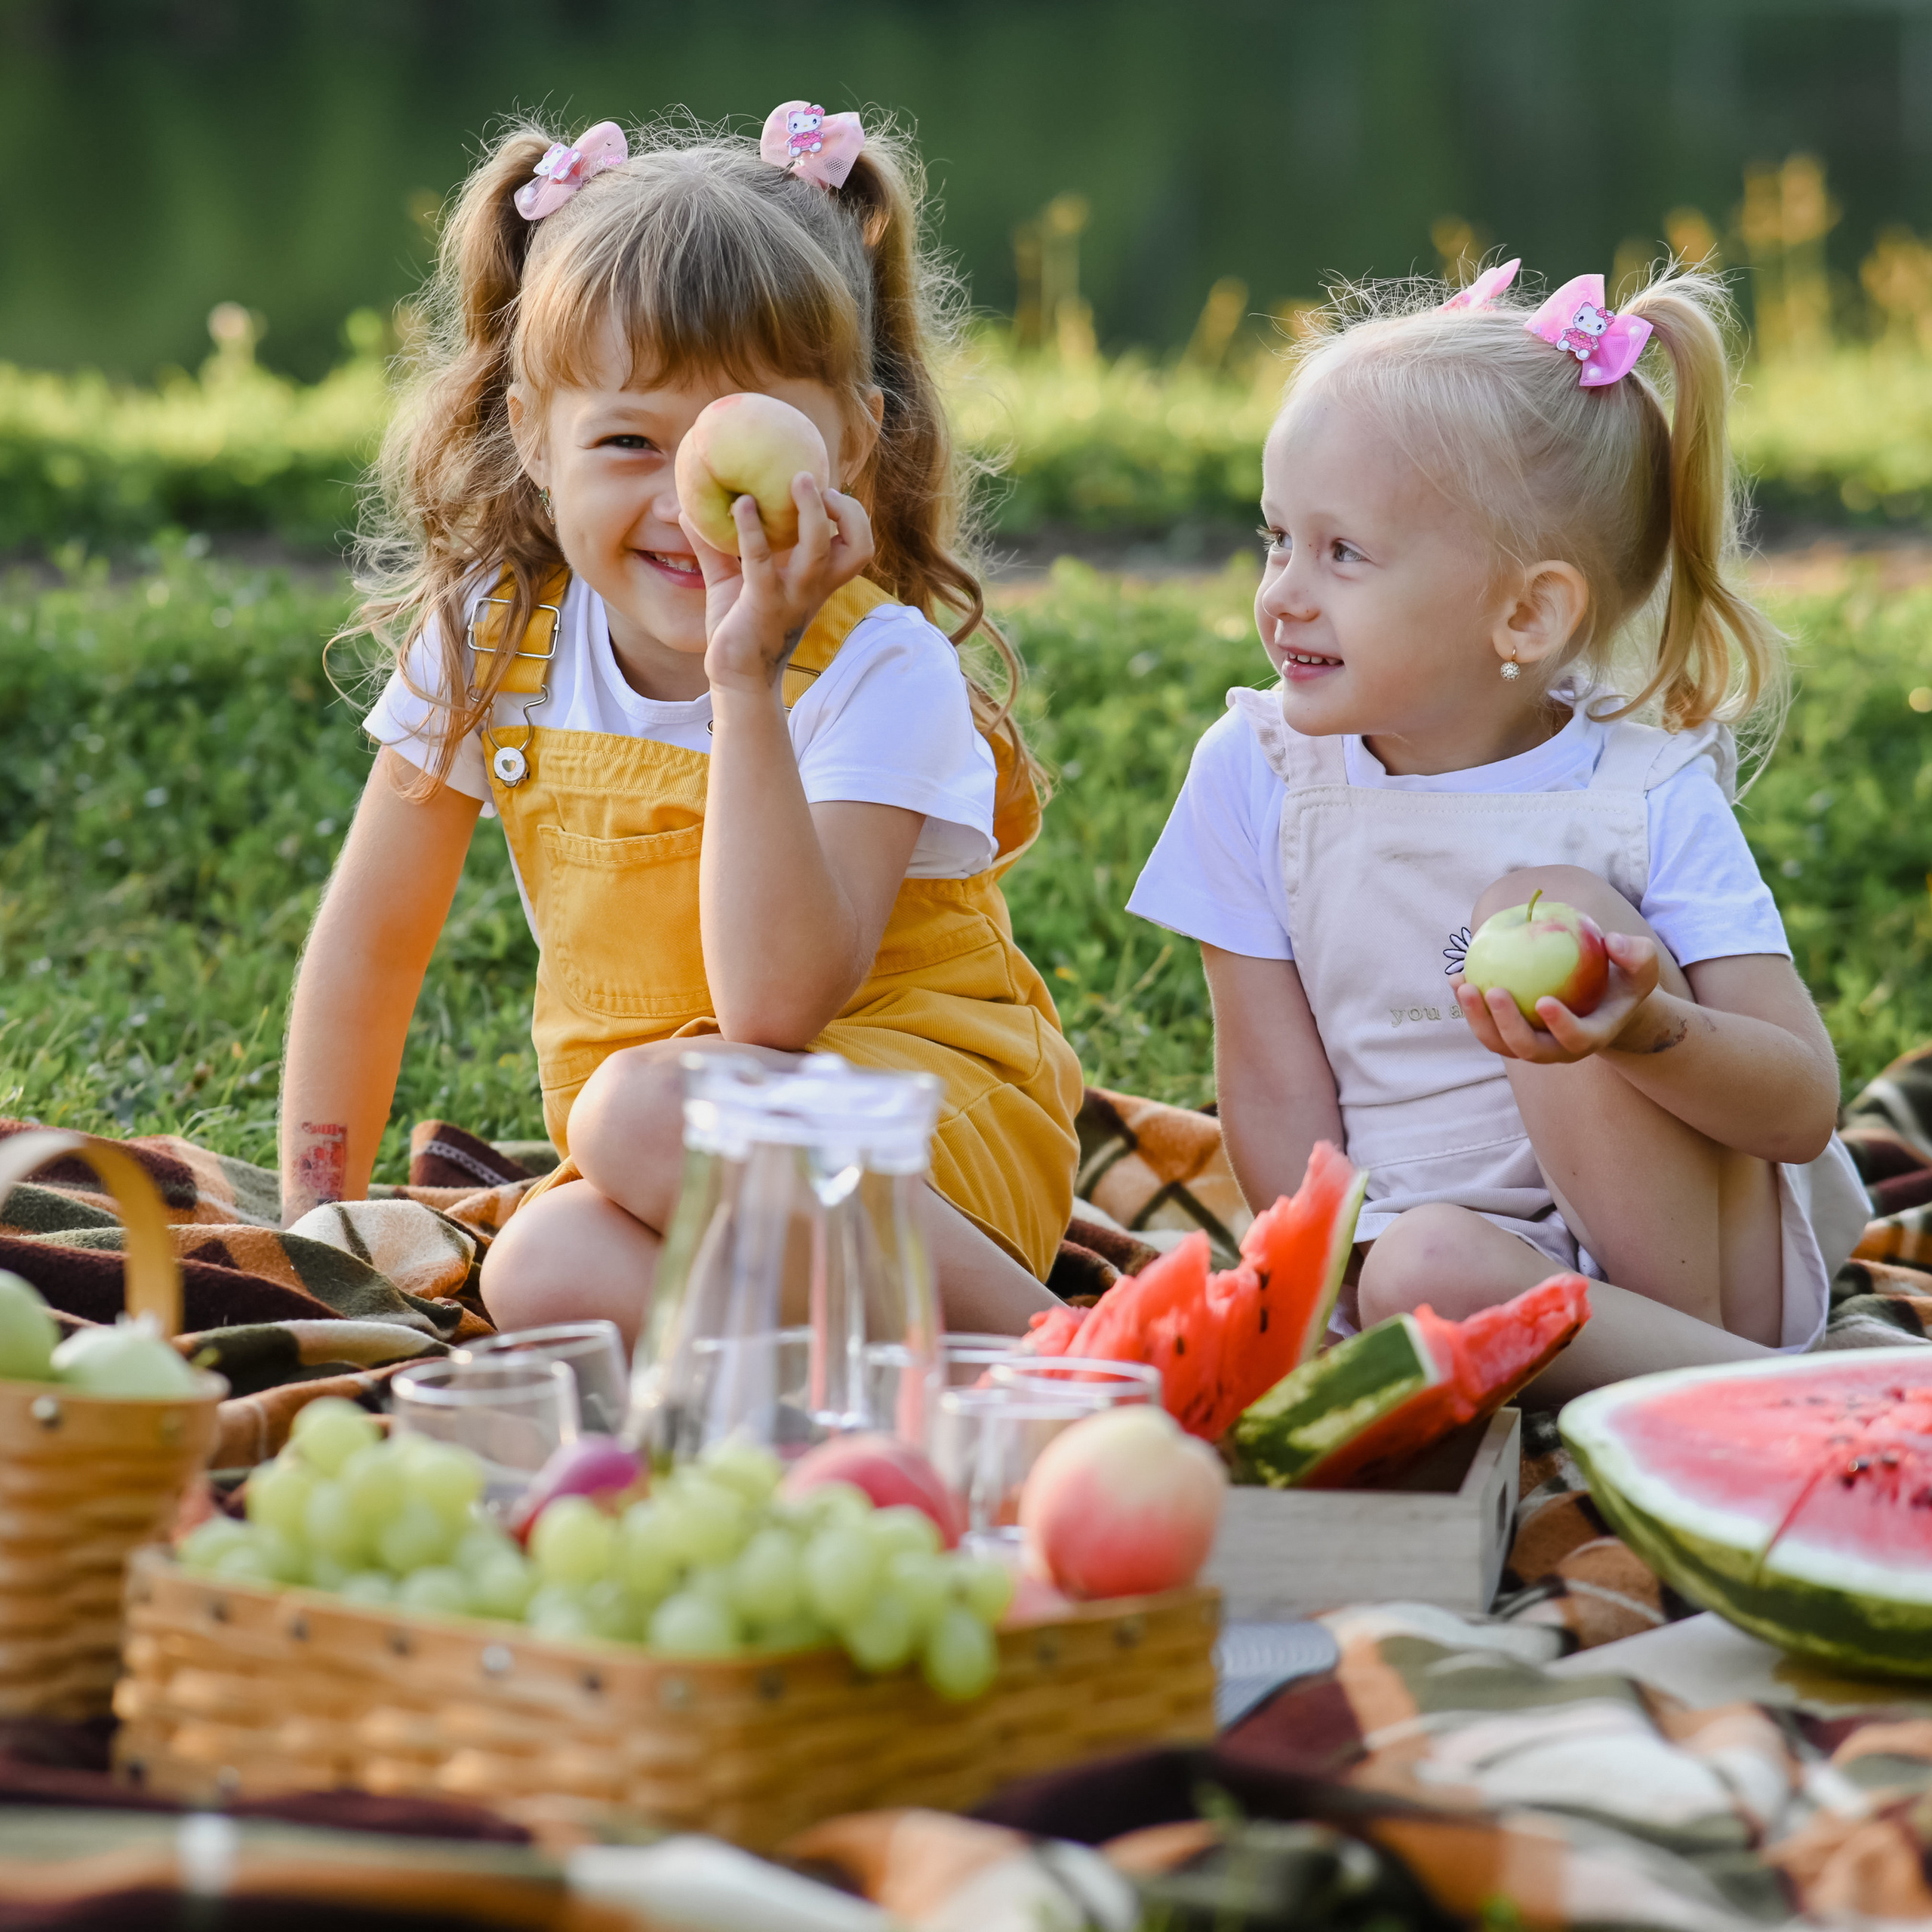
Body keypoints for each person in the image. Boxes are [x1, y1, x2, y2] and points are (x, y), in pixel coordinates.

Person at [278, 106, 1081, 1345]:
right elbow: (372, 945)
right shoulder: (495, 636)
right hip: (682, 1167)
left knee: (629, 1109)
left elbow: (774, 1011)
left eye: (734, 436)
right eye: (627, 442)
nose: (687, 503)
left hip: (920, 1151)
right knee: (540, 1267)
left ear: (855, 436)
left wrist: (746, 682)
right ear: (534, 442)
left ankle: (1063, 1349)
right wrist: (310, 1220)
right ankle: (919, 1391)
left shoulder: (877, 663)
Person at [1128, 260, 1869, 1398]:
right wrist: (1314, 1302)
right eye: (1279, 537)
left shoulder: (1642, 790)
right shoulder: (1257, 774)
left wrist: (1639, 1028)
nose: (1283, 592)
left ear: (1526, 613)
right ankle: (1704, 1398)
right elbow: (1276, 1092)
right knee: (1416, 1266)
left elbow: (1802, 1105)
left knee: (1535, 912)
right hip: (1454, 1263)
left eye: (1344, 553)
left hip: (1704, 1277)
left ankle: (1736, 1388)